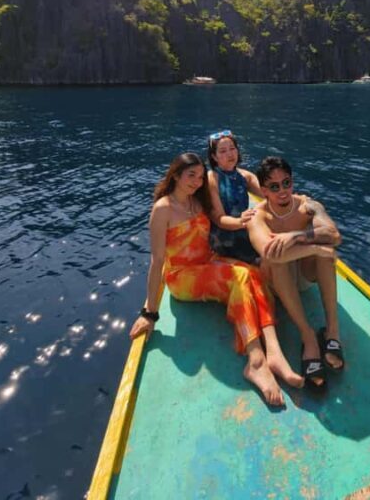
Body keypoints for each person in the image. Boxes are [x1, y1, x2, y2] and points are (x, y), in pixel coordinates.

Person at [129, 152, 305, 405]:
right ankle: (256, 361)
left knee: (254, 274)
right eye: (191, 175)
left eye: (201, 177)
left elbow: (242, 188)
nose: (197, 181)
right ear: (176, 175)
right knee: (239, 277)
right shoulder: (163, 209)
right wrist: (150, 313)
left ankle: (273, 351)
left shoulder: (198, 201)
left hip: (208, 262)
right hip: (183, 276)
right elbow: (157, 261)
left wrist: (291, 200)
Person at [247, 156, 344, 393]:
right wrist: (314, 246)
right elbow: (271, 253)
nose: (282, 191)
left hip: (302, 276)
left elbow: (334, 235)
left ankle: (332, 331)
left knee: (324, 253)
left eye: (286, 183)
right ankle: (308, 337)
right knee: (281, 258)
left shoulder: (309, 206)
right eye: (274, 186)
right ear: (263, 190)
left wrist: (296, 236)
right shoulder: (257, 217)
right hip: (277, 283)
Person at [207, 130, 260, 264]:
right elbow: (219, 219)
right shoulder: (212, 179)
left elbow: (269, 193)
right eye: (223, 151)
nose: (230, 154)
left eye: (232, 148)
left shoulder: (245, 176)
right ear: (214, 156)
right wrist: (241, 222)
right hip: (225, 236)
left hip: (245, 227)